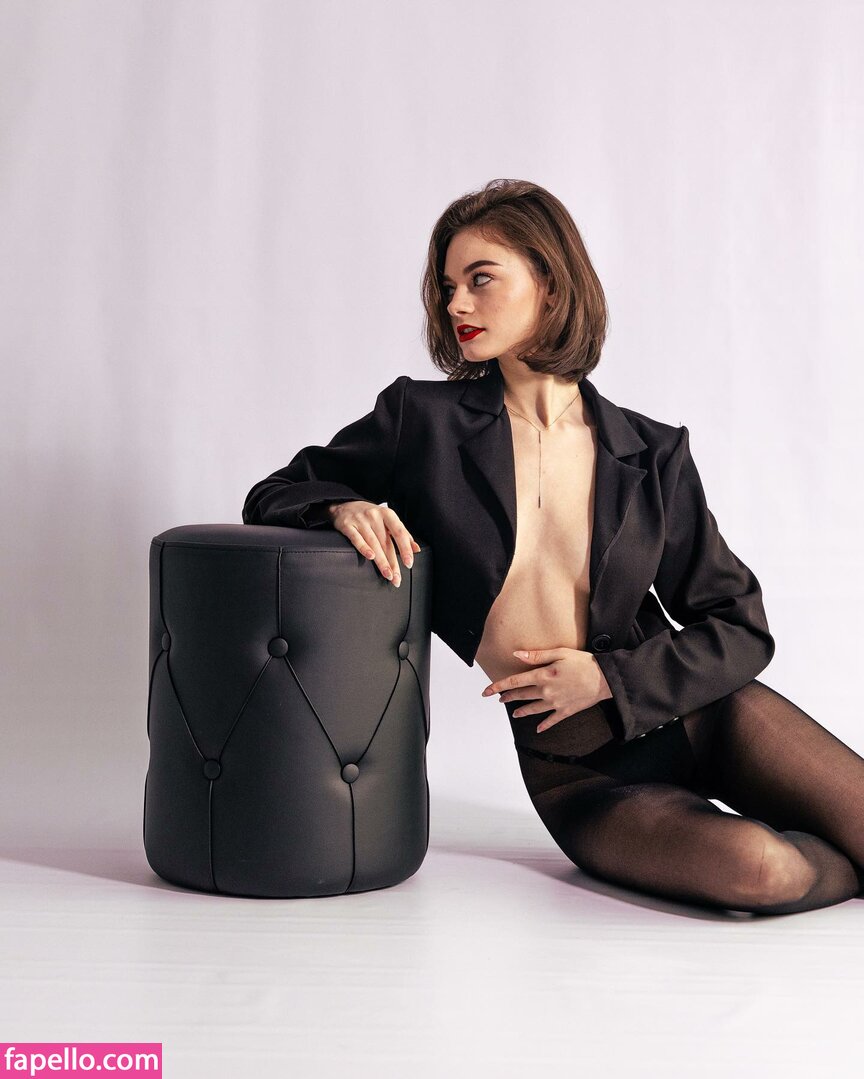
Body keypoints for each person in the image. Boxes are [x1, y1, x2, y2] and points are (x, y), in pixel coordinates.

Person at [243, 178, 864, 916]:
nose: (456, 305)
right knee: (761, 871)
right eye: (447, 287)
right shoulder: (422, 421)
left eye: (480, 279)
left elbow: (741, 626)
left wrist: (608, 678)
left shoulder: (652, 453)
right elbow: (275, 490)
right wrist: (341, 504)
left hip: (707, 713)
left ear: (550, 281)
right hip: (580, 769)